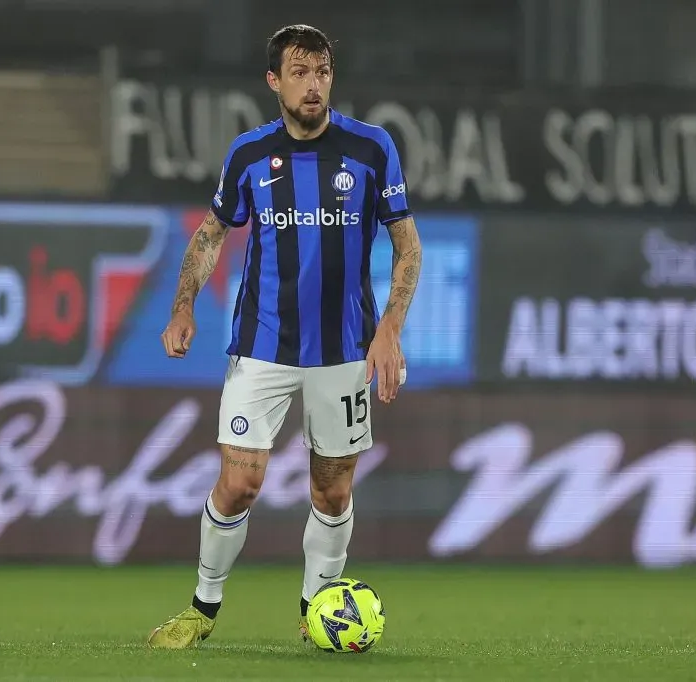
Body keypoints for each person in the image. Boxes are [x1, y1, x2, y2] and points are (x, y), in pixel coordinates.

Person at [149, 23, 422, 649]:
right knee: (239, 482)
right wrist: (182, 306)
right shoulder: (249, 154)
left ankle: (314, 610)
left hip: (343, 350)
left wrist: (388, 331)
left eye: (322, 72)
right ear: (274, 81)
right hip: (262, 348)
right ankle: (203, 606)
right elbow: (210, 234)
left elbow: (407, 249)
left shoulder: (372, 148)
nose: (313, 85)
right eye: (299, 73)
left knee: (333, 489)